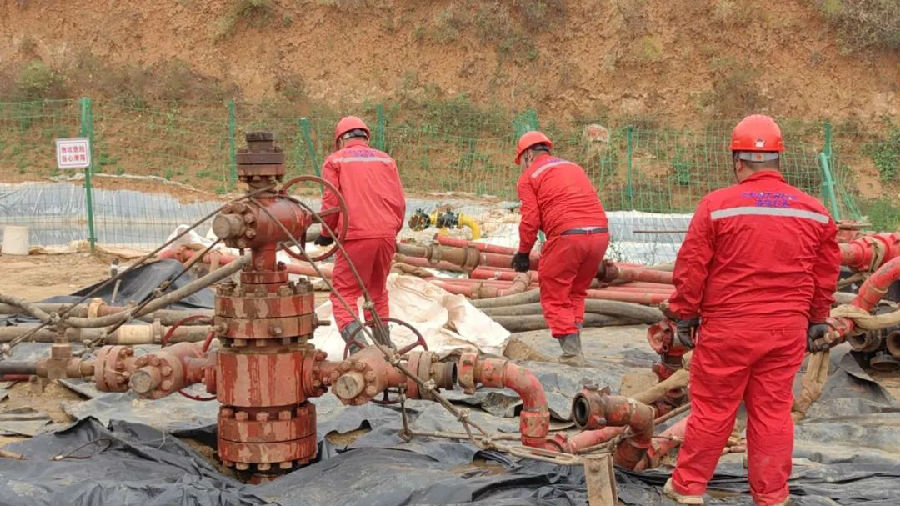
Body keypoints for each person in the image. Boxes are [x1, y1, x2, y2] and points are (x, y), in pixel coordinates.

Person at [662, 115, 842, 506]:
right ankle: (772, 496)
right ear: (779, 160)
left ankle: (688, 489)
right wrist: (817, 318)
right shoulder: (814, 211)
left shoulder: (716, 206)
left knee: (713, 410)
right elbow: (826, 271)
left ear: (736, 161)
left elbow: (692, 266)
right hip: (785, 330)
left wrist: (685, 314)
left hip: (729, 329)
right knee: (773, 413)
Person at [511, 131, 609, 365]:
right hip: (599, 234)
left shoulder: (529, 177)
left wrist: (523, 253)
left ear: (528, 154)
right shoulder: (573, 167)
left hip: (567, 237)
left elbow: (530, 220)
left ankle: (572, 354)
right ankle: (576, 348)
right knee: (575, 292)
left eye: (521, 160)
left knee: (554, 294)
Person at [315, 116, 406, 354]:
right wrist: (391, 231)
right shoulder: (386, 160)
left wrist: (325, 232)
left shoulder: (335, 161)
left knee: (343, 294)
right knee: (377, 293)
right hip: (386, 234)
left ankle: (360, 351)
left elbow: (331, 201)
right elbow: (399, 202)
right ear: (366, 137)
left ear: (340, 139)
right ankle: (386, 348)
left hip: (355, 235)